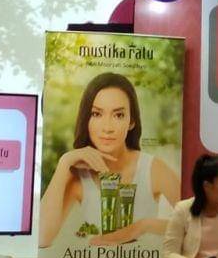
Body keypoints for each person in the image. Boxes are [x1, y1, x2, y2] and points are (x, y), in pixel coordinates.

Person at [39, 72, 180, 247]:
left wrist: (143, 226)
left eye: (118, 115)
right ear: (86, 119)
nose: (107, 128)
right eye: (96, 114)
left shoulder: (153, 168)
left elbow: (195, 223)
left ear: (131, 122)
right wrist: (64, 163)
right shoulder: (76, 175)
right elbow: (42, 238)